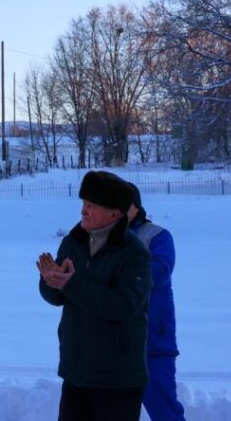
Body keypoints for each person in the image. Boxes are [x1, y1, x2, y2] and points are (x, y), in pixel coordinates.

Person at [38, 170, 151, 421]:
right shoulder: (72, 242)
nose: (84, 210)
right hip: (76, 373)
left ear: (114, 213)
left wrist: (71, 284)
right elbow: (58, 298)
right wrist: (50, 281)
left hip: (117, 379)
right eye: (84, 203)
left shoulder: (135, 253)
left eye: (92, 205)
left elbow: (125, 306)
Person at [127, 183, 186, 421]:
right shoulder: (101, 237)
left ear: (135, 206)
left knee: (163, 407)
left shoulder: (157, 236)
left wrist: (117, 271)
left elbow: (158, 273)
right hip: (115, 343)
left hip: (153, 340)